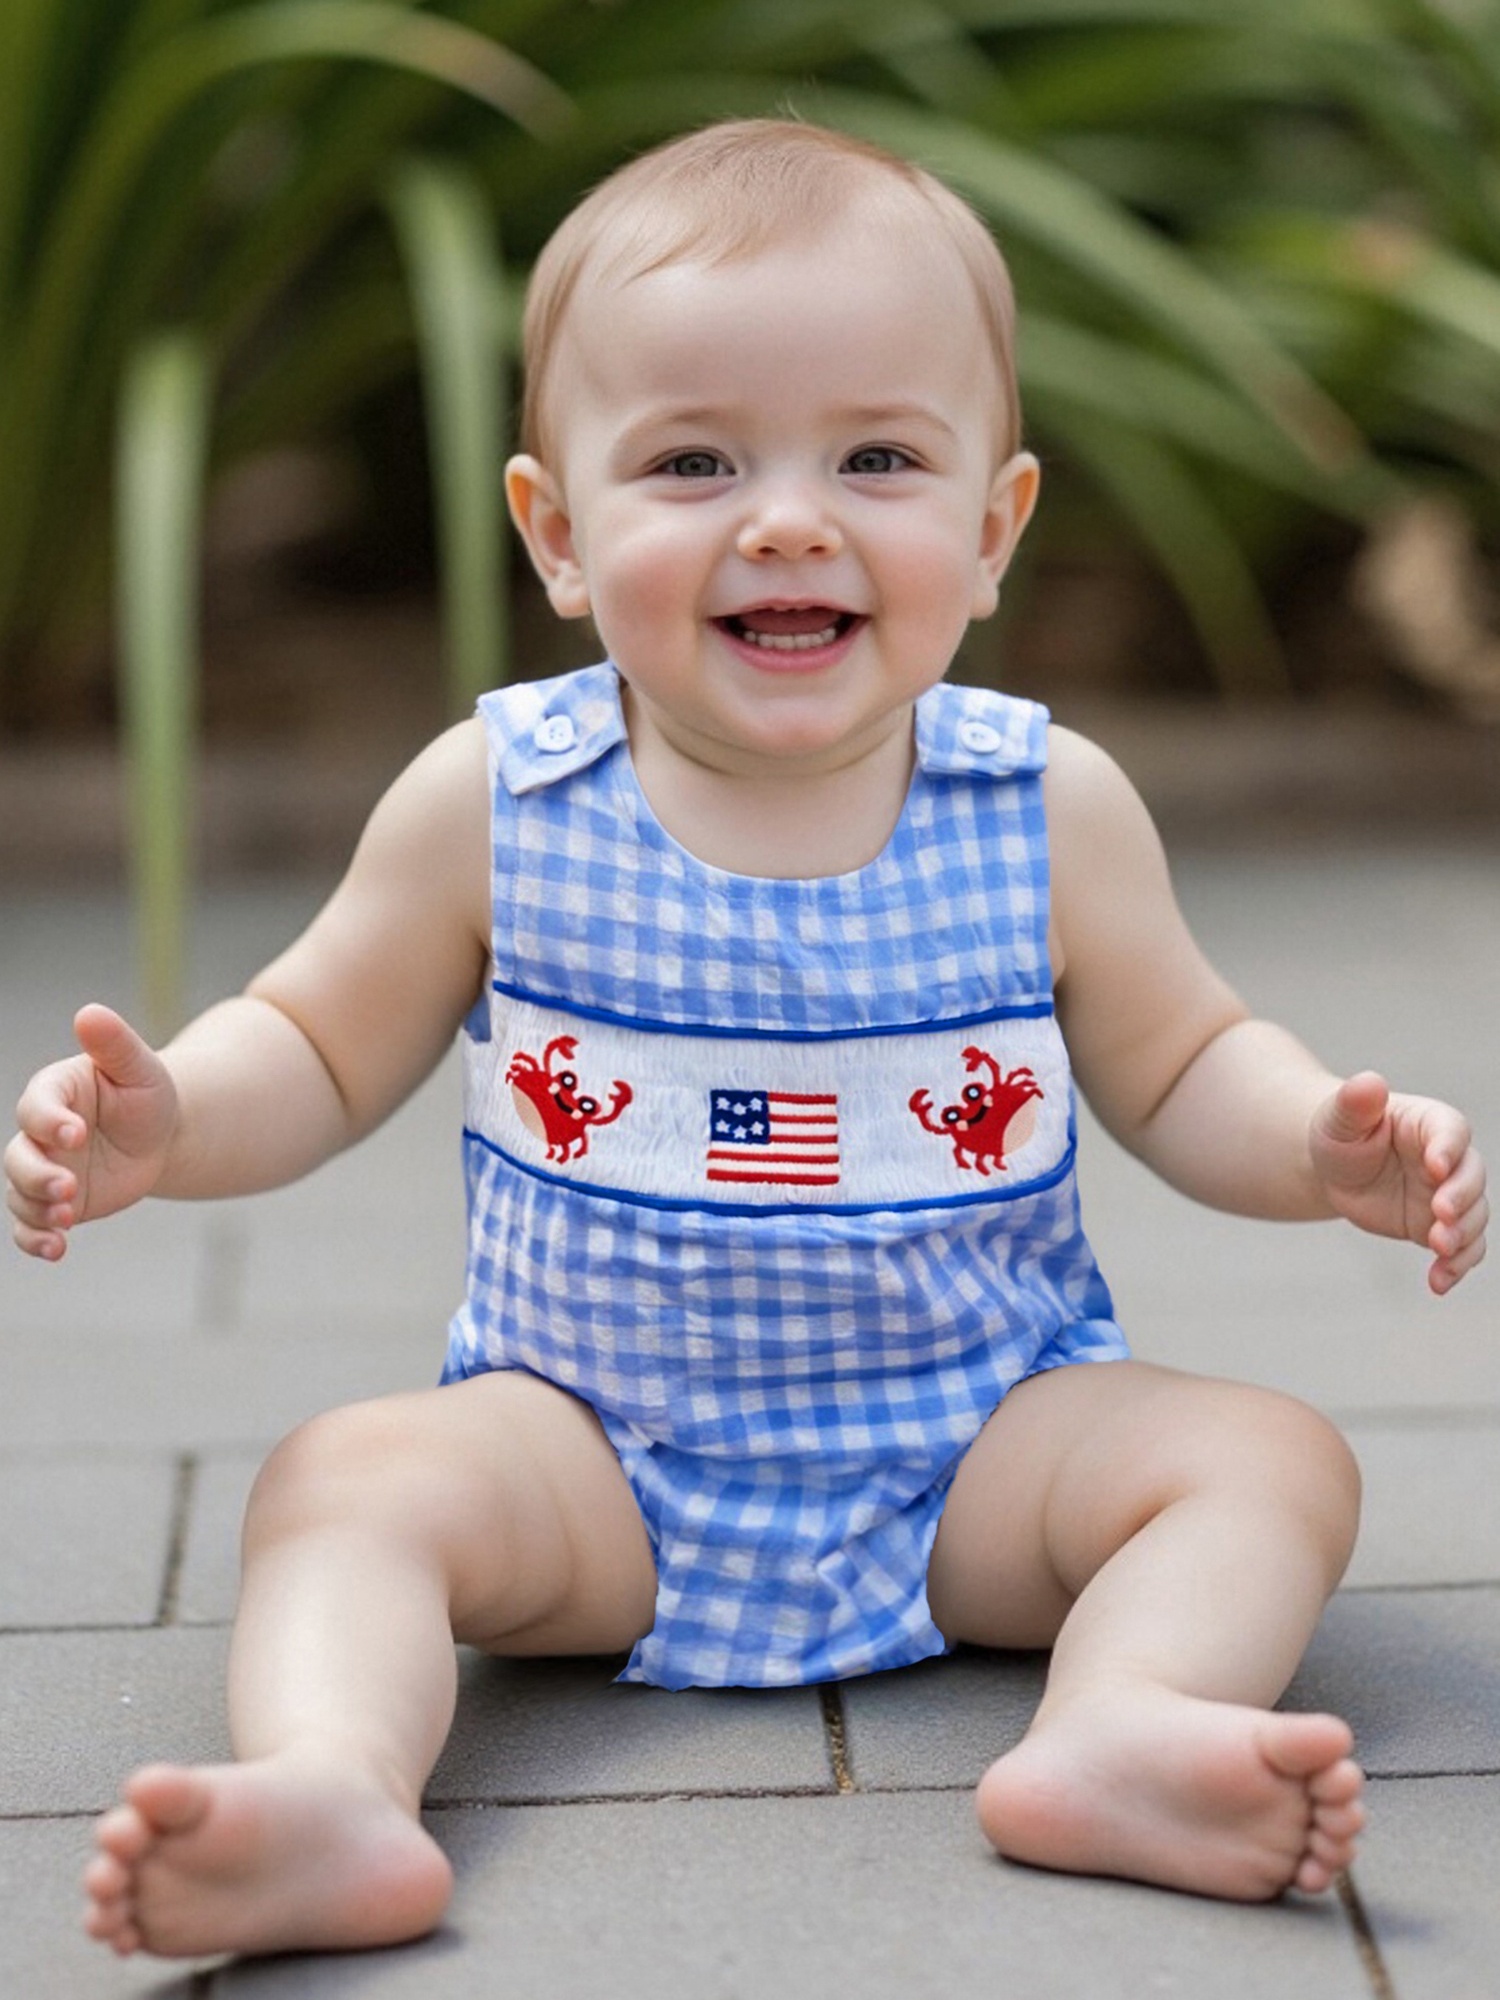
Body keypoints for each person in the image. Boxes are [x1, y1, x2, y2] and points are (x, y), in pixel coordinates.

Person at [5, 119, 1488, 1960]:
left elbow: (1186, 1064)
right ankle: (333, 1788)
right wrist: (172, 1125)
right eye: (694, 461)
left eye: (879, 458)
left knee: (1273, 1460)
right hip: (589, 1464)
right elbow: (313, 1042)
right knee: (342, 1483)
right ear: (559, 532)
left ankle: (1123, 1725)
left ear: (993, 528)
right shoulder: (499, 800)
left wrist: (1317, 1143)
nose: (790, 519)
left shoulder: (1047, 809)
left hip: (980, 1455)